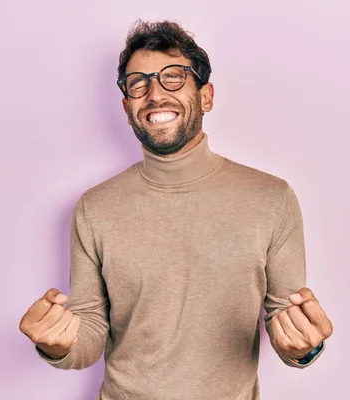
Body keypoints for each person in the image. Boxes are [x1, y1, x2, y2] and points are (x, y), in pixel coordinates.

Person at [19, 19, 333, 400]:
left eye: (173, 76)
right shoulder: (94, 207)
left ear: (206, 96)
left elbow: (288, 327)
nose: (154, 93)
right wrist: (57, 345)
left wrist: (304, 346)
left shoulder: (273, 198)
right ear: (126, 105)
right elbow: (86, 336)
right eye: (139, 83)